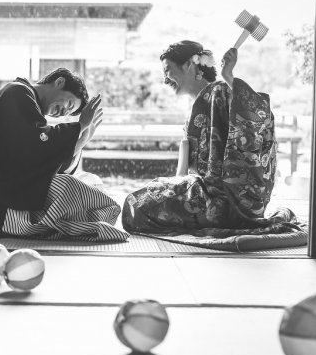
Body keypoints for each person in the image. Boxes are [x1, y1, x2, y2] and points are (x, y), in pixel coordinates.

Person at [122, 40, 298, 234]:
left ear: (188, 64)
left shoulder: (220, 91)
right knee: (138, 204)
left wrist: (228, 75)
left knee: (136, 205)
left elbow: (257, 112)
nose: (165, 80)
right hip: (203, 194)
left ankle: (226, 219)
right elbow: (183, 174)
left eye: (167, 70)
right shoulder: (194, 112)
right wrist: (171, 189)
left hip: (228, 200)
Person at [0, 68, 128, 242]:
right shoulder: (17, 92)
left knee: (89, 179)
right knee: (68, 186)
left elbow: (44, 161)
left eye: (69, 112)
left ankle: (88, 220)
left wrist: (82, 139)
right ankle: (91, 219)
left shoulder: (29, 104)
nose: (63, 112)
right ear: (59, 82)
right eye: (69, 104)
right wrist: (80, 125)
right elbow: (37, 147)